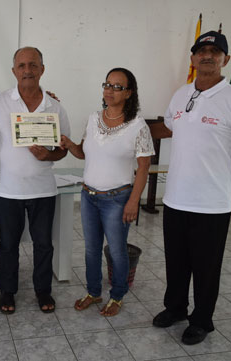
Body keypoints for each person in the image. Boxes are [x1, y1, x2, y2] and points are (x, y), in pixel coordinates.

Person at [150, 31, 231, 345]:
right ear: (193, 58)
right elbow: (169, 128)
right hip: (175, 199)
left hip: (211, 206)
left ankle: (201, 320)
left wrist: (227, 182)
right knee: (176, 262)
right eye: (202, 50)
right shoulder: (181, 93)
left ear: (225, 60)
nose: (207, 56)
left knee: (205, 267)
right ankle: (175, 308)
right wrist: (129, 124)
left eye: (215, 51)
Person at [0, 47, 71, 314]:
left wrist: (49, 154)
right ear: (14, 71)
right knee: (8, 245)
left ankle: (43, 290)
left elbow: (64, 147)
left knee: (44, 244)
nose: (27, 70)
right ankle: (7, 291)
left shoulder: (55, 106)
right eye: (22, 66)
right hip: (7, 191)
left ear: (42, 69)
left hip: (43, 190)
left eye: (33, 65)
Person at [60, 68, 153, 316]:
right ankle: (93, 291)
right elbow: (83, 153)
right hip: (89, 195)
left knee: (116, 249)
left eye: (117, 87)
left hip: (117, 199)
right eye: (107, 84)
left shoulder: (138, 126)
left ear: (129, 93)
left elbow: (144, 168)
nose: (110, 90)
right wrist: (70, 145)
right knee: (91, 249)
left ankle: (118, 295)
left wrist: (134, 201)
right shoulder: (93, 119)